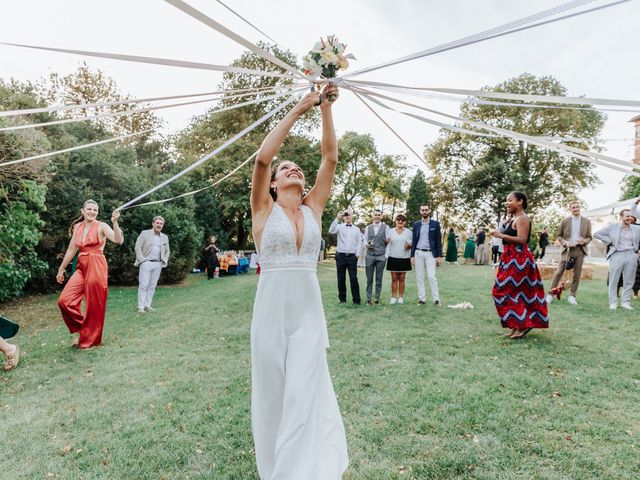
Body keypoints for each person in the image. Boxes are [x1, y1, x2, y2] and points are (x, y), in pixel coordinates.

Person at [249, 84, 348, 479]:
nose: (294, 169)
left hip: (308, 313)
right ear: (274, 183)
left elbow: (330, 157)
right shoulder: (262, 209)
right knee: (273, 397)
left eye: (297, 168)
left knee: (304, 392)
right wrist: (298, 108)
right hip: (271, 312)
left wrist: (324, 106)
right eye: (285, 167)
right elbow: (261, 159)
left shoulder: (314, 209)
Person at [57, 199, 123, 348]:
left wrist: (115, 222)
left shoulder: (102, 226)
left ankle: (90, 340)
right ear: (83, 211)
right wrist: (61, 268)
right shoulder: (78, 227)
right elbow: (71, 249)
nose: (92, 212)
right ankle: (85, 330)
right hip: (82, 266)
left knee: (94, 305)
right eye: (89, 209)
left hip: (96, 265)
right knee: (65, 301)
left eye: (95, 210)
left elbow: (118, 240)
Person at [491, 192, 549, 339]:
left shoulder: (523, 218)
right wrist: (506, 226)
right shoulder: (514, 219)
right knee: (516, 293)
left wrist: (501, 235)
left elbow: (522, 239)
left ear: (520, 202)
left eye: (510, 200)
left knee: (501, 291)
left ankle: (523, 324)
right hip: (509, 257)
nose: (507, 203)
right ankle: (517, 325)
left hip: (518, 259)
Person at [546, 200, 592, 306]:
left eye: (577, 207)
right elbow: (559, 236)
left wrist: (583, 241)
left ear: (580, 207)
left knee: (577, 274)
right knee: (559, 272)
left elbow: (589, 237)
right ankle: (550, 294)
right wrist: (566, 243)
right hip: (567, 250)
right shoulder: (565, 221)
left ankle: (572, 295)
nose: (576, 209)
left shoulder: (587, 221)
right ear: (570, 209)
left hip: (580, 250)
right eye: (573, 207)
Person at [594, 206, 640, 310]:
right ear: (621, 217)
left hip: (631, 255)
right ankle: (613, 302)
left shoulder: (637, 228)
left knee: (629, 280)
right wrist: (609, 241)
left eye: (631, 216)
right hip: (617, 254)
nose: (630, 218)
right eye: (627, 216)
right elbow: (597, 234)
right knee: (614, 279)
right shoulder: (613, 227)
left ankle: (625, 303)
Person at [134, 216, 170, 313]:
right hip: (146, 263)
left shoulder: (164, 237)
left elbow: (167, 251)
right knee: (143, 285)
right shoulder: (144, 233)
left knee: (152, 285)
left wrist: (164, 261)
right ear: (153, 224)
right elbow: (138, 246)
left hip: (158, 264)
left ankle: (147, 305)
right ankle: (140, 307)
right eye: (157, 223)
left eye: (161, 224)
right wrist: (142, 260)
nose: (159, 225)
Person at [410, 204, 443, 306]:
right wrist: (412, 255)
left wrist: (439, 256)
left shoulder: (435, 224)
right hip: (418, 252)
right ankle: (422, 299)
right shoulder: (416, 224)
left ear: (429, 211)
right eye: (422, 210)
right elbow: (414, 240)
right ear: (420, 211)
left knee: (431, 276)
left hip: (430, 253)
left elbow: (438, 241)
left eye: (426, 210)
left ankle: (436, 299)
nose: (424, 212)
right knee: (419, 277)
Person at [329, 209, 362, 305]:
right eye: (345, 215)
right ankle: (342, 300)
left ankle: (356, 300)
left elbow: (359, 243)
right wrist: (337, 218)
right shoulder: (339, 227)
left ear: (352, 216)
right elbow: (331, 230)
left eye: (349, 215)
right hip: (341, 256)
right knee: (341, 278)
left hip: (352, 257)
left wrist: (357, 254)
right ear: (343, 217)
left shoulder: (356, 229)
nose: (347, 217)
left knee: (353, 278)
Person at [386, 214, 412, 304]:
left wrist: (409, 245)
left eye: (402, 220)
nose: (400, 221)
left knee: (402, 278)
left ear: (405, 222)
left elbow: (412, 243)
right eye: (398, 220)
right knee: (394, 278)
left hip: (404, 257)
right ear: (395, 221)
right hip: (393, 257)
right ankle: (393, 297)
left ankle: (401, 297)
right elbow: (387, 243)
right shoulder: (390, 231)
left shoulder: (409, 232)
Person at [364, 208, 388, 304]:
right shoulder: (368, 227)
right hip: (369, 255)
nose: (377, 216)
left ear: (381, 216)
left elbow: (388, 241)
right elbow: (364, 239)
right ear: (373, 216)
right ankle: (369, 298)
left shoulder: (386, 227)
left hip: (381, 256)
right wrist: (367, 244)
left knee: (379, 278)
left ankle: (377, 298)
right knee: (369, 278)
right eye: (375, 214)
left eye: (379, 214)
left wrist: (386, 255)